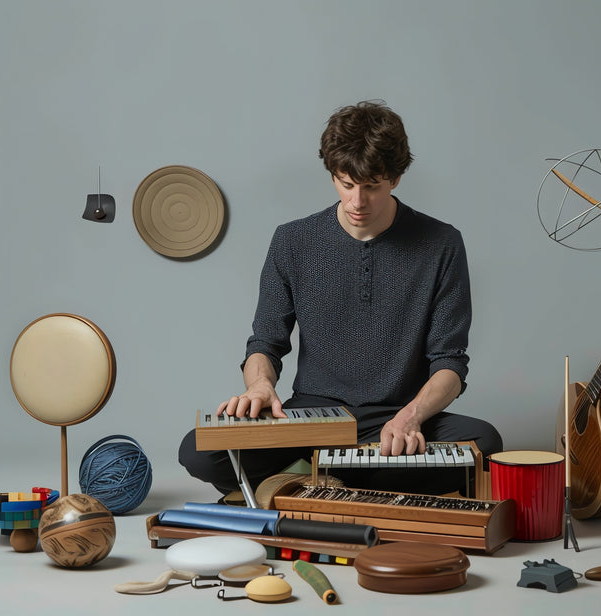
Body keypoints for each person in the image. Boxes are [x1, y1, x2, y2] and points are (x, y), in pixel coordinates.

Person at [178, 100, 503, 498]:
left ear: (396, 179)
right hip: (310, 418)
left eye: (372, 186)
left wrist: (411, 417)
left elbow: (450, 363)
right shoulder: (292, 240)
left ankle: (317, 477)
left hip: (395, 415)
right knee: (198, 451)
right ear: (333, 174)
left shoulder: (441, 244)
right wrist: (260, 386)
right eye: (346, 184)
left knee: (484, 443)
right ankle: (346, 472)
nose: (357, 202)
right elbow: (265, 342)